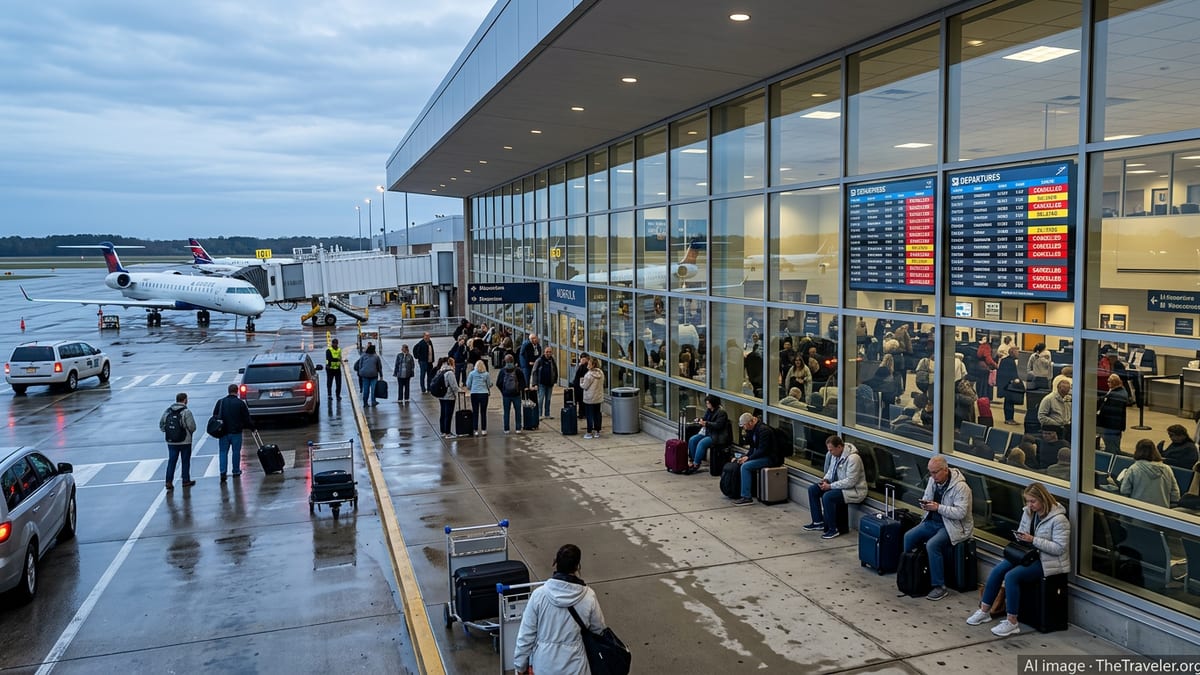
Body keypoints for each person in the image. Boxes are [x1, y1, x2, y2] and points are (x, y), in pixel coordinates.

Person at [967, 482, 1070, 637]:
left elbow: (1059, 548)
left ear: (1043, 499)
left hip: (1048, 561)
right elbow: (1024, 531)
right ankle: (984, 610)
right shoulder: (1029, 512)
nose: (1029, 505)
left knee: (1011, 576)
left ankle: (1012, 621)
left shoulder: (1059, 520)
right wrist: (1021, 536)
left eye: (1033, 501)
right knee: (998, 570)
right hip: (1028, 555)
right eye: (1027, 501)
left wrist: (1033, 540)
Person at [512, 544, 608, 675]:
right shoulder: (588, 596)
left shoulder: (539, 595)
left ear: (555, 563)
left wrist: (520, 666)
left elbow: (526, 635)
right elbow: (599, 630)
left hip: (544, 666)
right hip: (576, 667)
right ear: (577, 567)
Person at [902, 455, 974, 601]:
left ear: (945, 470)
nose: (932, 476)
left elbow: (961, 513)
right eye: (930, 472)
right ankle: (910, 572)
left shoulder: (961, 488)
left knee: (933, 545)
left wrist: (938, 507)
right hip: (932, 521)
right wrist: (925, 504)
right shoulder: (932, 481)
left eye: (935, 472)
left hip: (953, 526)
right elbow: (927, 497)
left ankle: (939, 586)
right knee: (908, 536)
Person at [803, 436, 867, 539]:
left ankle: (833, 529)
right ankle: (818, 522)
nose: (830, 452)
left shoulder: (853, 459)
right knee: (813, 489)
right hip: (838, 485)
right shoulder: (835, 455)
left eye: (831, 450)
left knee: (828, 497)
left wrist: (830, 486)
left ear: (839, 447)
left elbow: (851, 481)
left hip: (854, 490)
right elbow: (830, 471)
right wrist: (825, 480)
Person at [1119, 439, 1181, 508]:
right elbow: (1175, 494)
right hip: (1161, 513)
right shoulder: (1167, 469)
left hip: (1138, 511)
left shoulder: (1133, 469)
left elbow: (1124, 490)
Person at [213, 384, 255, 482]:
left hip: (223, 432)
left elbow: (215, 415)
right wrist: (252, 428)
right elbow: (246, 418)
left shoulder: (221, 402)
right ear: (237, 391)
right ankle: (236, 471)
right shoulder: (240, 403)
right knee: (236, 452)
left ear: (228, 391)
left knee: (223, 452)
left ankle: (223, 472)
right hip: (236, 432)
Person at [731, 412, 775, 506]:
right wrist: (745, 457)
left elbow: (763, 450)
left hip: (770, 457)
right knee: (742, 462)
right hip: (761, 455)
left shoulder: (764, 430)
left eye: (744, 425)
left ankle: (746, 496)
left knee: (745, 467)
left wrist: (749, 458)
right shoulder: (752, 431)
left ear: (750, 423)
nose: (744, 428)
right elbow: (752, 448)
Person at [685, 394, 731, 474]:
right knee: (692, 440)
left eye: (708, 403)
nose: (707, 405)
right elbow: (705, 418)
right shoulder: (709, 411)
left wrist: (706, 424)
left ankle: (696, 464)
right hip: (708, 432)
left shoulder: (721, 413)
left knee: (701, 443)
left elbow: (718, 425)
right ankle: (692, 459)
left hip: (716, 435)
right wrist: (700, 420)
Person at [160, 392, 197, 490]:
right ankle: (185, 480)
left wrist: (170, 432)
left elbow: (162, 425)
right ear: (185, 400)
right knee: (185, 461)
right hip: (185, 441)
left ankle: (168, 481)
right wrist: (189, 433)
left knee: (172, 461)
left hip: (171, 441)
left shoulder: (168, 411)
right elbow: (192, 426)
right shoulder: (186, 412)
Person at [1097, 373, 1130, 453]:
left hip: (1110, 427)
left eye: (1109, 382)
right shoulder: (1119, 392)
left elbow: (1106, 409)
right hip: (1114, 427)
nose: (1107, 383)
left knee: (1112, 449)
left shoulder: (1116, 395)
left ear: (1114, 383)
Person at [496, 354, 527, 434]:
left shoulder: (502, 371)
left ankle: (506, 429)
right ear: (513, 361)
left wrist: (503, 391)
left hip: (506, 395)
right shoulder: (518, 370)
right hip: (516, 395)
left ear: (505, 361)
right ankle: (518, 428)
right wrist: (519, 389)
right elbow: (523, 382)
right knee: (518, 412)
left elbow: (498, 383)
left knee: (506, 412)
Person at [465, 359, 492, 436]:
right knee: (483, 412)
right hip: (484, 394)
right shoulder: (486, 374)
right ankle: (484, 430)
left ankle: (475, 430)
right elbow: (489, 384)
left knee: (475, 412)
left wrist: (472, 388)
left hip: (474, 394)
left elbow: (468, 384)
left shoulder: (472, 374)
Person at [435, 357, 459, 439]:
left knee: (443, 413)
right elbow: (454, 386)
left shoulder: (440, 371)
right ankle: (448, 432)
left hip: (441, 395)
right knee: (448, 414)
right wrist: (458, 392)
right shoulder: (450, 373)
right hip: (449, 396)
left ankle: (443, 431)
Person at [581, 357, 605, 439]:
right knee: (597, 414)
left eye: (589, 363)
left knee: (589, 415)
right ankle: (597, 431)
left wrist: (581, 382)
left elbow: (585, 386)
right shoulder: (601, 373)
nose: (587, 365)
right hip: (598, 397)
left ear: (592, 365)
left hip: (589, 398)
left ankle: (589, 432)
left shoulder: (588, 375)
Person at [532, 346, 559, 419]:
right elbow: (534, 372)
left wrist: (555, 380)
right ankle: (539, 414)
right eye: (547, 352)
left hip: (550, 383)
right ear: (544, 352)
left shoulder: (552, 361)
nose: (548, 353)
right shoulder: (539, 361)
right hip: (541, 383)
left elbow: (555, 370)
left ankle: (547, 414)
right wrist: (534, 384)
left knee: (548, 399)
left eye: (550, 352)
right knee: (540, 399)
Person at [996, 346, 1021, 425]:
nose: (1018, 354)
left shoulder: (1004, 360)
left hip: (1004, 384)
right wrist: (1016, 379)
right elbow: (1011, 374)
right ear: (1013, 352)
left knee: (1008, 402)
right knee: (1009, 402)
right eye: (1017, 352)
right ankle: (1009, 419)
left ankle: (1009, 418)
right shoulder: (1010, 362)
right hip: (1008, 385)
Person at [571, 353, 589, 420]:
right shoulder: (581, 366)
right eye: (581, 359)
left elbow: (581, 377)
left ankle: (582, 414)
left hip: (580, 387)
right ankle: (581, 413)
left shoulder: (584, 367)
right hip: (578, 386)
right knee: (580, 401)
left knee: (581, 401)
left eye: (583, 359)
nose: (582, 360)